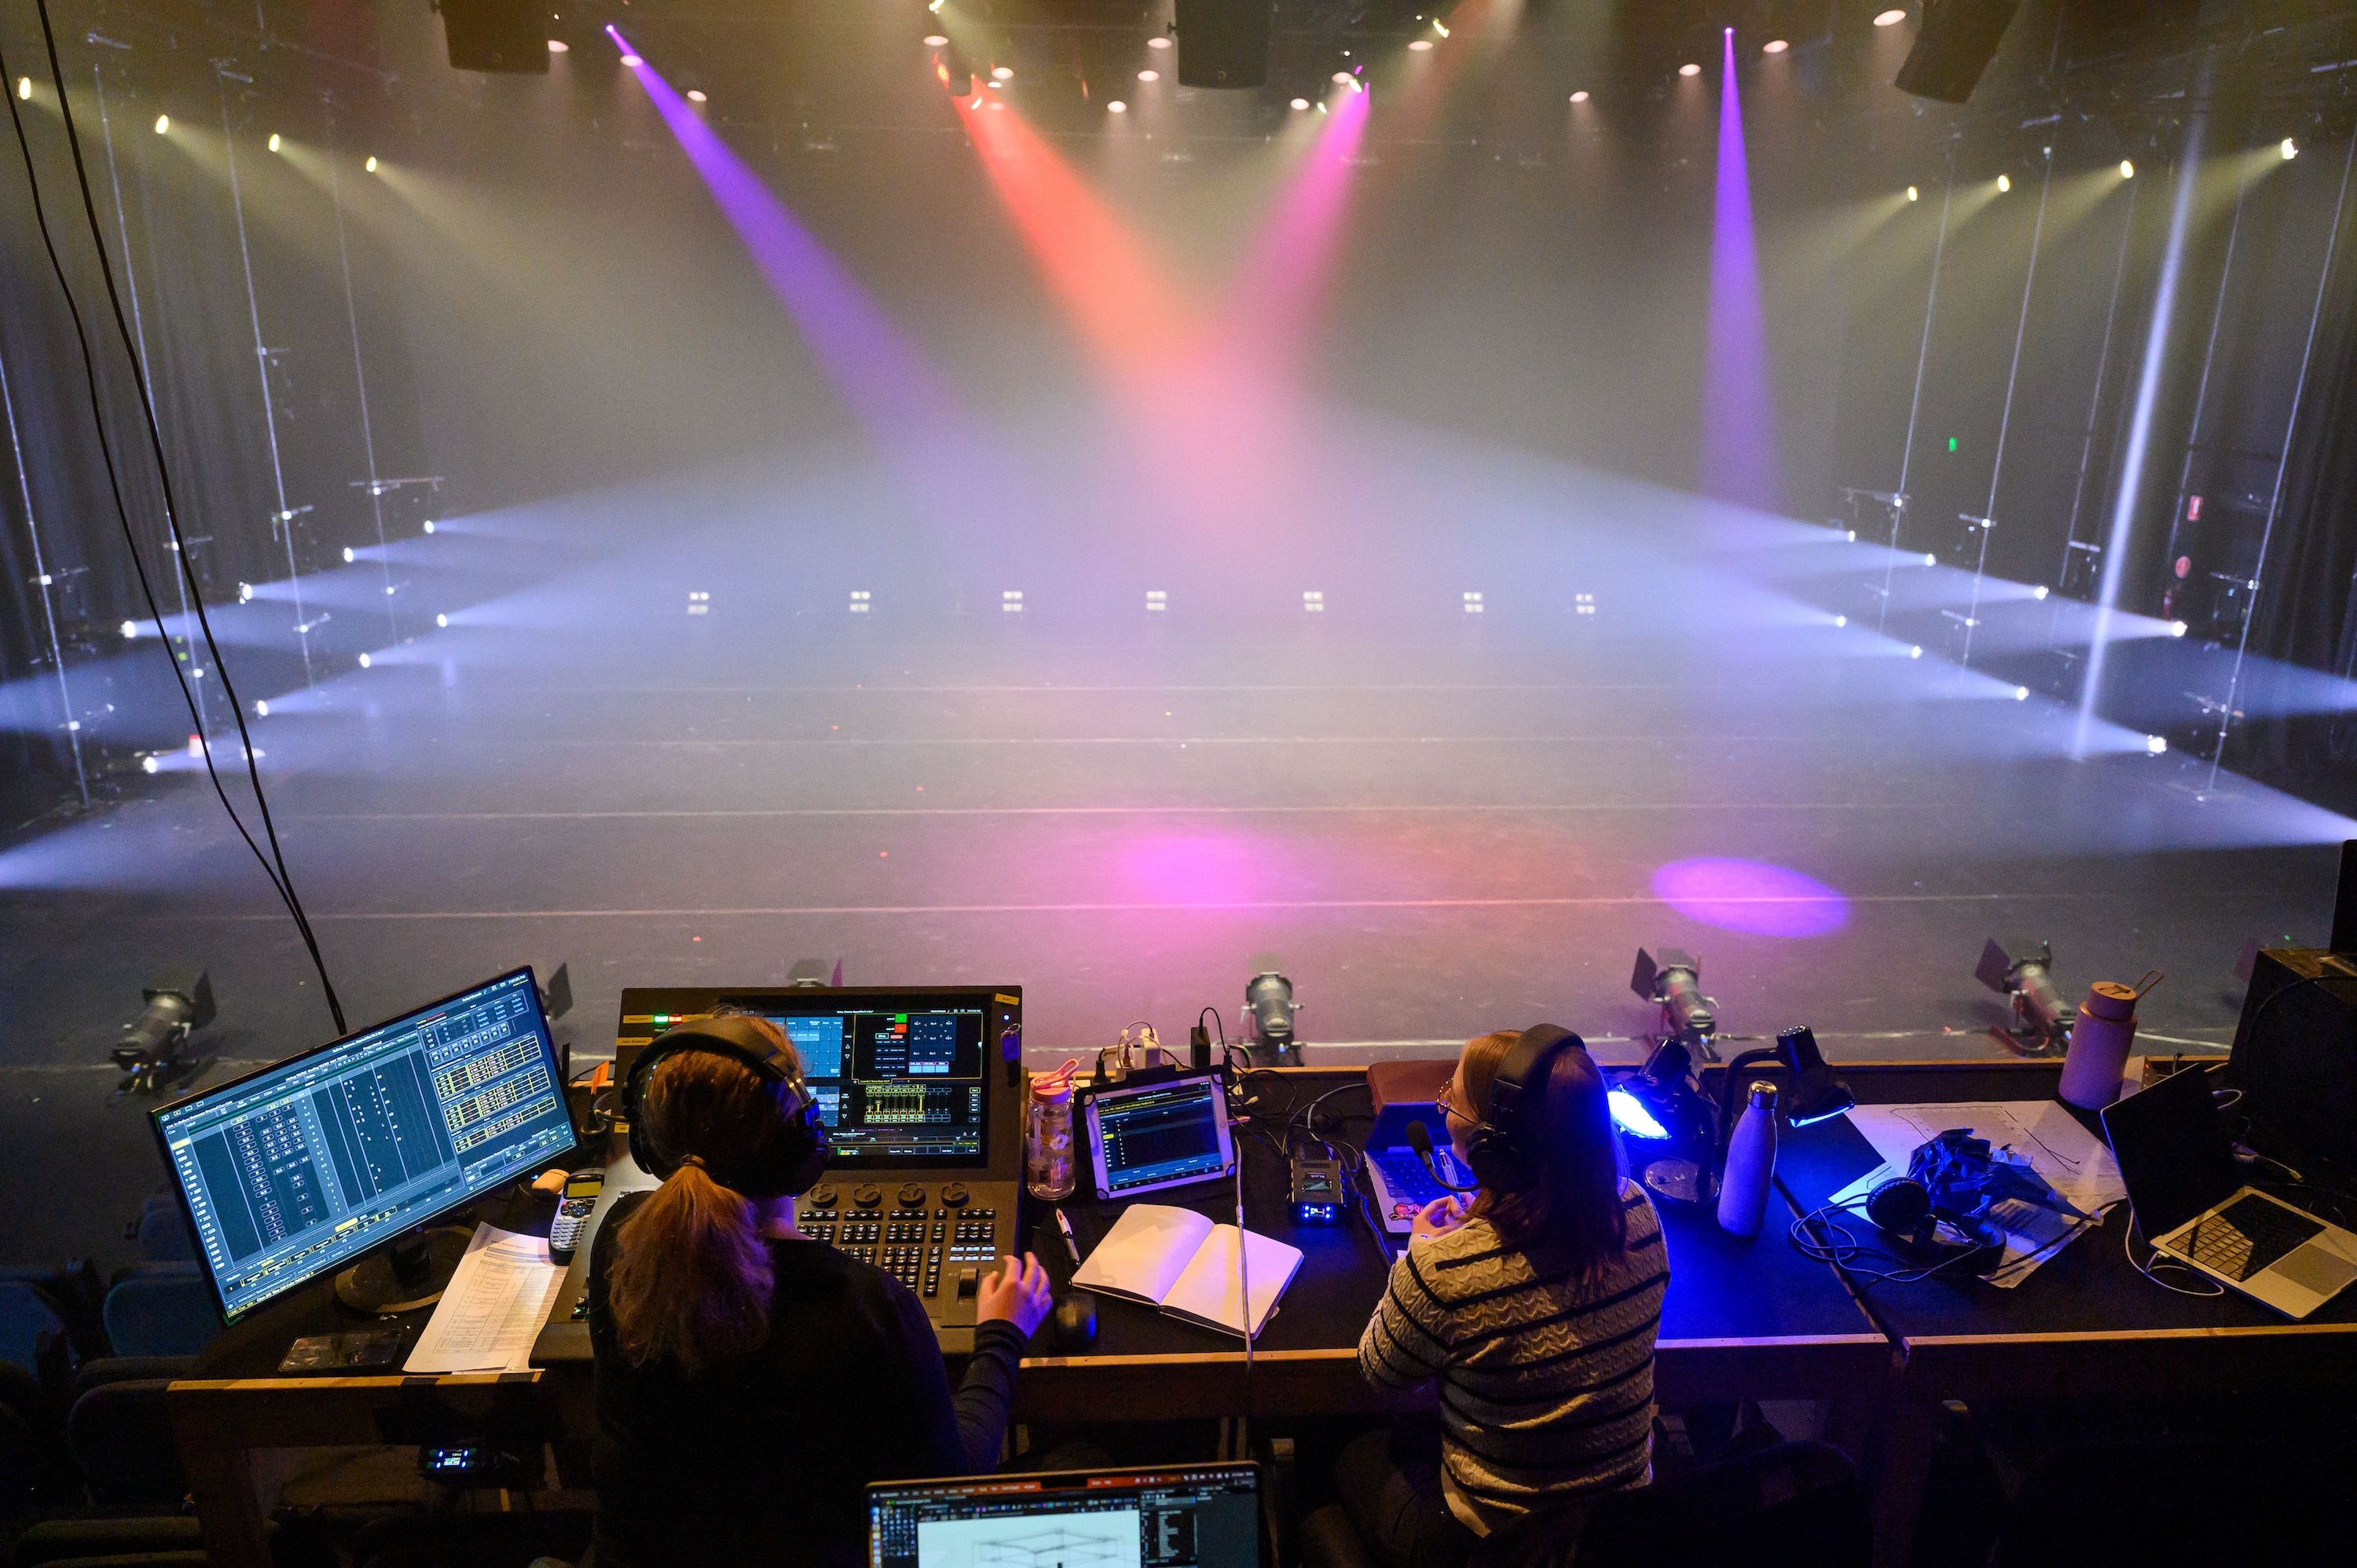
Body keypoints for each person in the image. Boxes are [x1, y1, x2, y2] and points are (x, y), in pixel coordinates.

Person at [585, 1018, 1054, 1568]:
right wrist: (1001, 1337)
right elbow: (946, 1493)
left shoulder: (616, 1248)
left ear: (651, 1145)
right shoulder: (864, 1308)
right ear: (801, 1145)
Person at [1344, 1028, 1668, 1567]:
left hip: (1497, 1547)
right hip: (1617, 1535)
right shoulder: (1637, 1215)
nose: (1444, 1109)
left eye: (1455, 1100)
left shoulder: (1442, 1270)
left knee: (1346, 1454)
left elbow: (1380, 1371)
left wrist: (1416, 1257)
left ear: (1496, 1150)